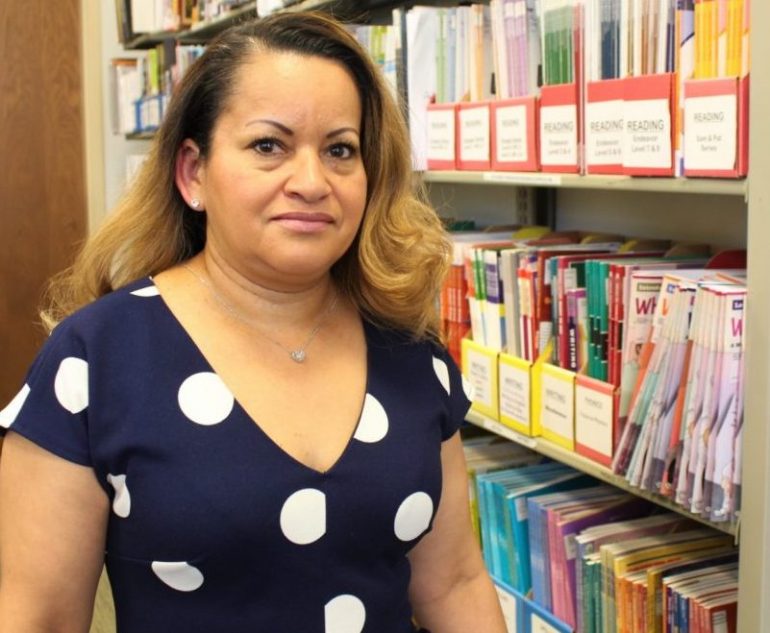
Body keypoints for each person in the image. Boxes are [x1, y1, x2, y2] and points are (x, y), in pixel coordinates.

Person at [0, 11, 507, 633]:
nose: (312, 182)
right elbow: (40, 617)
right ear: (194, 174)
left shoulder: (410, 350)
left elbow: (454, 583)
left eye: (340, 150)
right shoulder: (97, 360)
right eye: (269, 145)